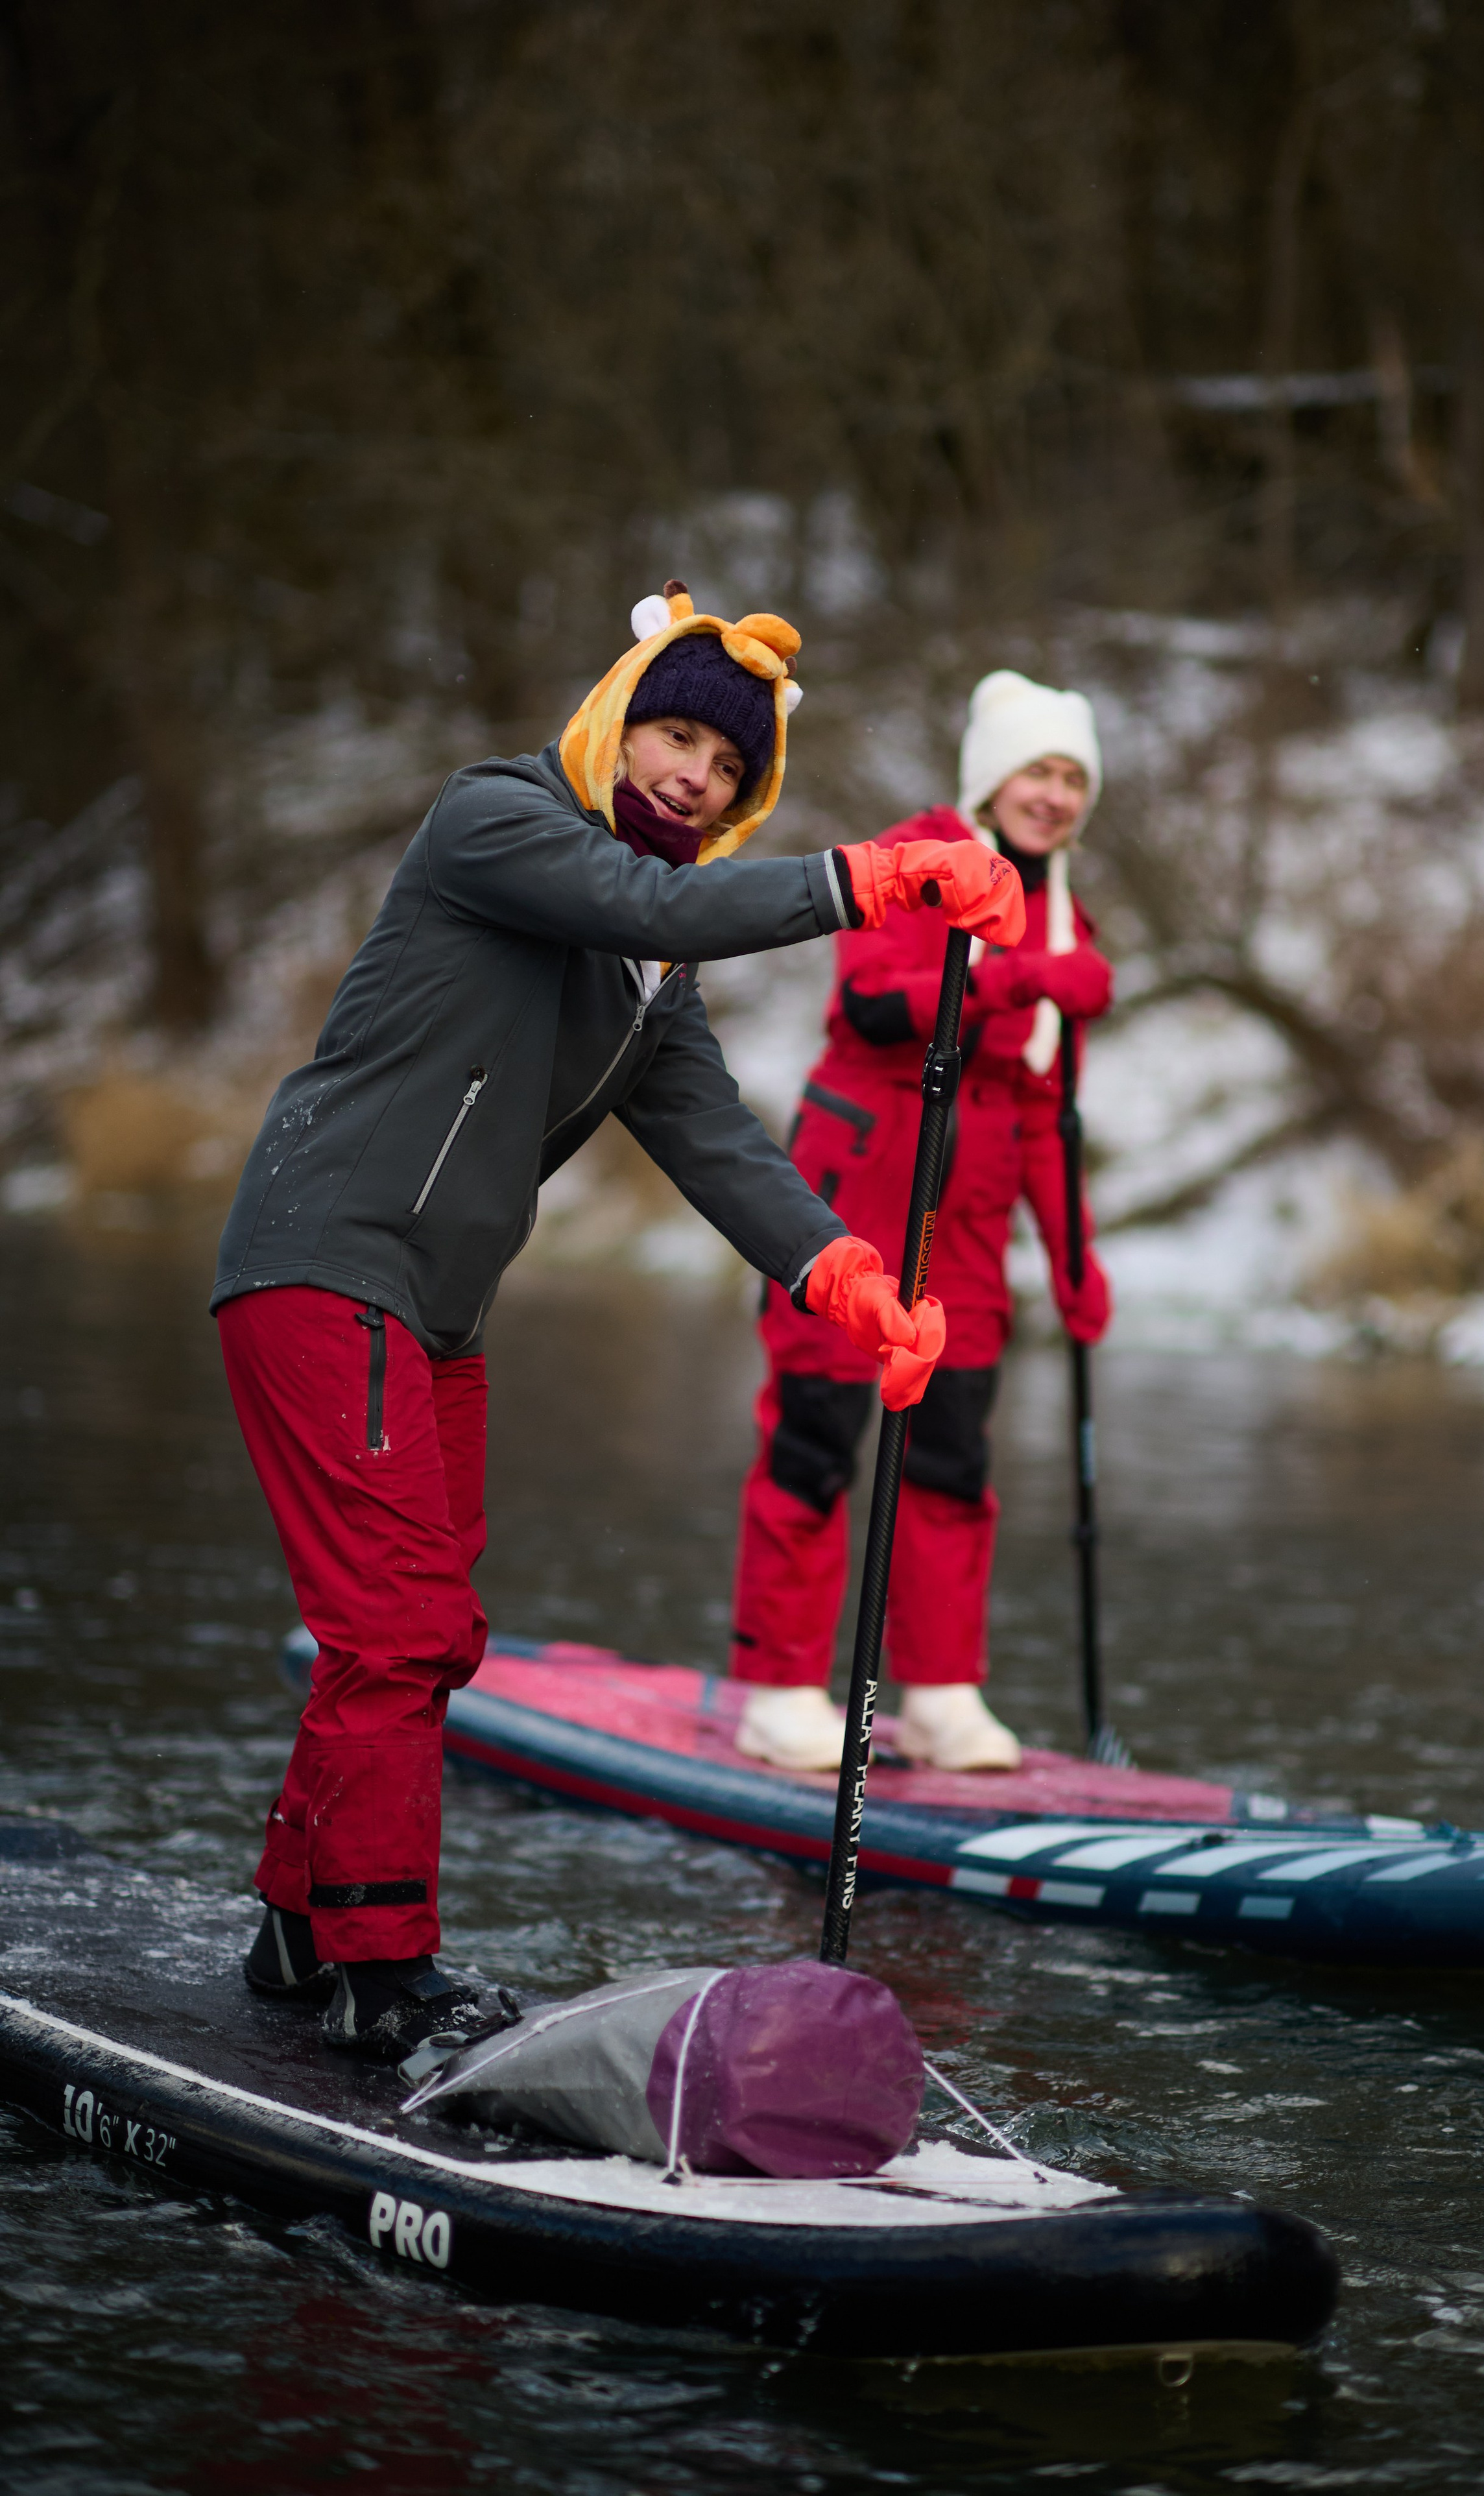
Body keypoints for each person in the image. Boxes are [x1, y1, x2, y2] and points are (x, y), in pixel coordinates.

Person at [211, 583, 1024, 2061]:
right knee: (396, 1626)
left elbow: (713, 1138)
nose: (690, 779)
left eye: (724, 771)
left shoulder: (650, 967)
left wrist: (840, 1274)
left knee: (421, 1633)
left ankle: (297, 1924)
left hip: (436, 1309)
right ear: (612, 718)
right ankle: (382, 1974)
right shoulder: (496, 820)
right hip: (327, 1262)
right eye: (671, 737)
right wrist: (867, 878)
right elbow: (648, 897)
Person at [728, 669, 1114, 1775]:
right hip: (857, 1197)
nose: (1055, 795)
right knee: (815, 1443)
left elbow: (1047, 1110)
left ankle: (943, 1695)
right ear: (994, 776)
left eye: (1075, 778)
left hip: (974, 1231)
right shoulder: (918, 857)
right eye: (1039, 770)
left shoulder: (1066, 906)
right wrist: (1021, 978)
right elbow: (869, 1005)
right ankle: (782, 1690)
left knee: (951, 1459)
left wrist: (1074, 1256)